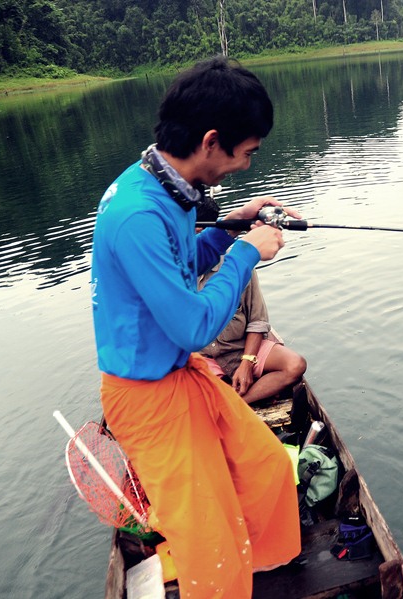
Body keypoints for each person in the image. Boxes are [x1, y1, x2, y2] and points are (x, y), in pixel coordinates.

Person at [90, 57, 301, 599]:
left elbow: (183, 265)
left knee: (268, 469)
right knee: (211, 549)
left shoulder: (170, 191)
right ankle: (224, 576)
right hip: (147, 398)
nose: (247, 167)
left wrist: (230, 229)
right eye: (246, 153)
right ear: (212, 141)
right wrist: (248, 254)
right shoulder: (138, 213)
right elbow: (191, 324)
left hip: (184, 377)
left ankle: (259, 569)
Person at [195, 200, 307, 404]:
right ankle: (229, 398)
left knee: (295, 365)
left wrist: (247, 362)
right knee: (198, 391)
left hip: (239, 349)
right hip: (201, 358)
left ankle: (236, 404)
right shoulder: (173, 272)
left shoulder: (237, 265)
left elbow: (257, 321)